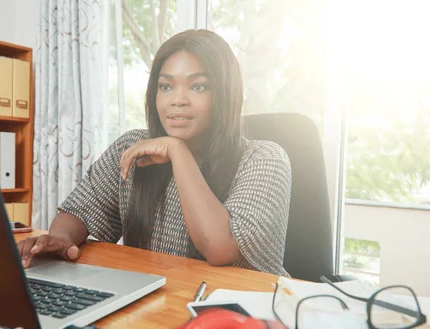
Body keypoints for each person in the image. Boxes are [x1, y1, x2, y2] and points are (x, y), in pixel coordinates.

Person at [19, 29, 292, 276]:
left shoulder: (264, 160)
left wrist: (178, 151)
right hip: (162, 302)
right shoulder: (134, 147)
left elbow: (219, 248)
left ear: (225, 94)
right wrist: (61, 240)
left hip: (246, 315)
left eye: (198, 86)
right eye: (166, 86)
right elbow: (79, 211)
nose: (178, 100)